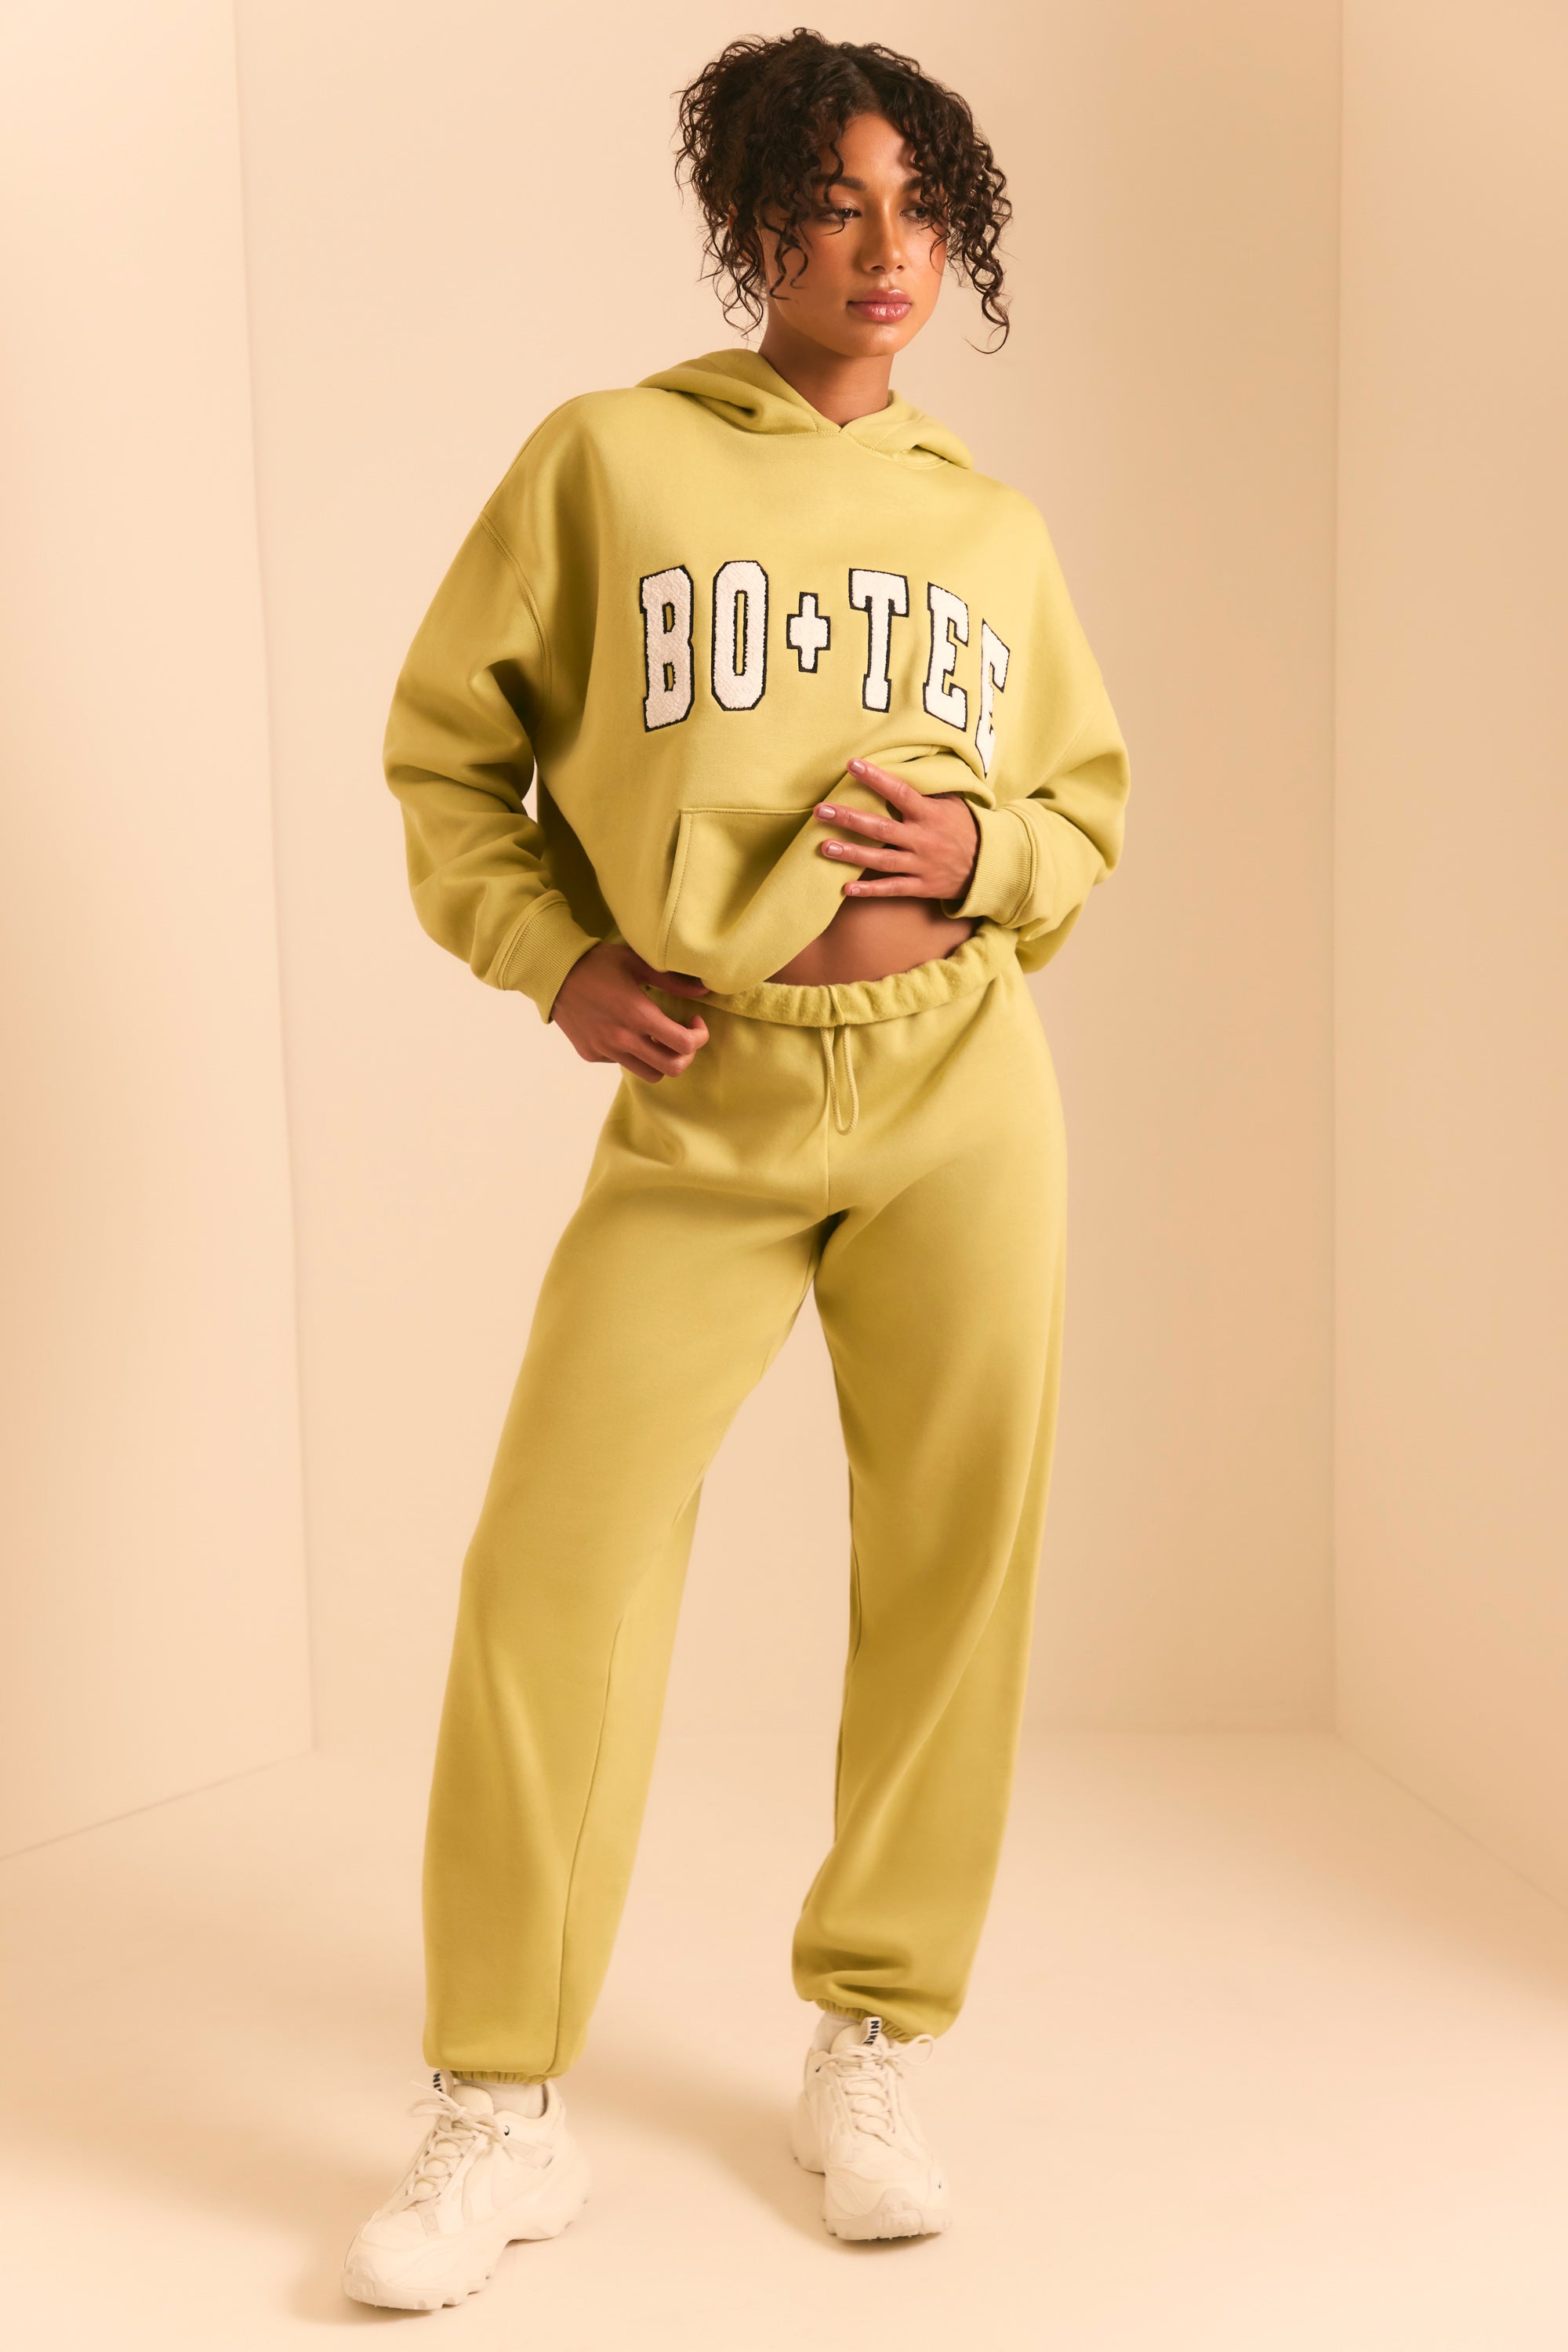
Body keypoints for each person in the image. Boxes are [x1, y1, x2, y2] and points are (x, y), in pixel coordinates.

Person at [342, 28, 1130, 2311]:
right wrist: (554, 956)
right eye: (836, 202)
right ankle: (500, 2106)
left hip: (964, 1086)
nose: (886, 251)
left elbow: (1081, 812)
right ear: (753, 218)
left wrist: (985, 854)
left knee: (957, 1558)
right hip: (710, 1091)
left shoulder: (996, 529)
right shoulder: (609, 460)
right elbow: (448, 756)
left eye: (922, 209)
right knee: (555, 1565)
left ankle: (872, 2041)